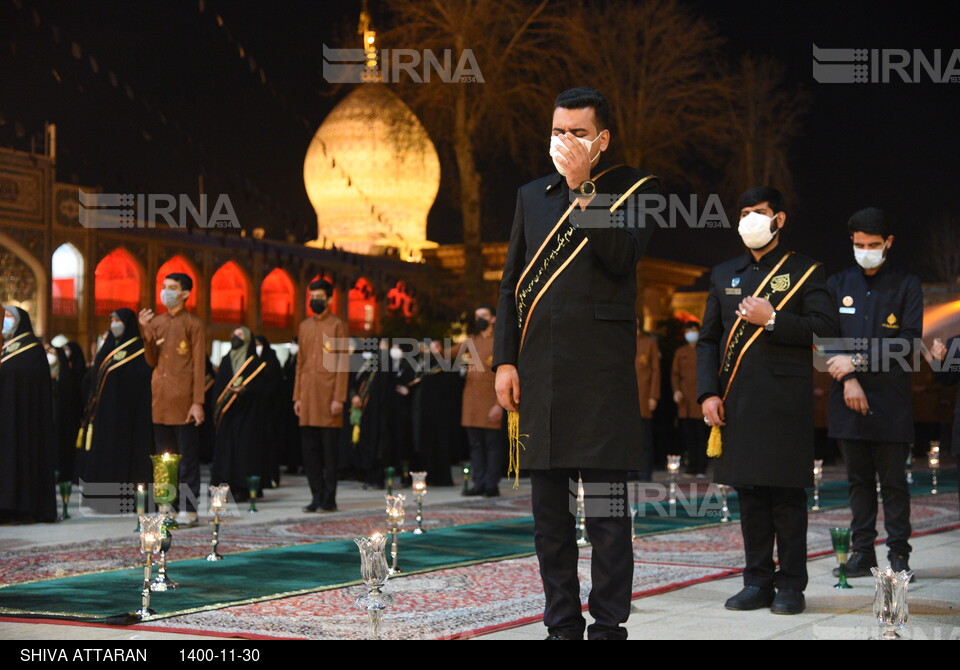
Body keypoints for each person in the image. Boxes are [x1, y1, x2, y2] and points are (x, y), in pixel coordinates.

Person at [493, 87, 658, 640]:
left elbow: (622, 256)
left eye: (578, 133)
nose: (565, 142)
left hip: (602, 382)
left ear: (602, 139)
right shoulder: (530, 196)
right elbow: (511, 283)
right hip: (540, 379)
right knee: (550, 519)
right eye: (559, 131)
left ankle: (608, 624)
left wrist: (582, 190)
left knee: (609, 517)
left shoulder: (634, 189)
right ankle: (561, 622)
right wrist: (504, 362)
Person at [696, 186, 837, 615]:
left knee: (787, 498)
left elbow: (824, 332)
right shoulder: (724, 274)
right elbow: (707, 341)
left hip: (785, 402)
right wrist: (707, 392)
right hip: (736, 402)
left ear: (779, 219)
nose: (749, 220)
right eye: (743, 213)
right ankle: (757, 582)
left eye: (759, 212)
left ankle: (792, 584)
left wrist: (773, 319)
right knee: (751, 497)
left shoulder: (806, 272)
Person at [825, 207, 923, 579]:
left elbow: (908, 342)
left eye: (874, 244)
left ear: (888, 243)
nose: (865, 250)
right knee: (858, 483)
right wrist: (848, 379)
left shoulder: (907, 284)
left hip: (891, 401)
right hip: (846, 398)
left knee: (894, 484)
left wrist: (858, 364)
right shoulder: (836, 283)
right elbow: (825, 341)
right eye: (859, 244)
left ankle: (899, 556)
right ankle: (862, 554)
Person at [139, 273, 206, 527]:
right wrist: (146, 331)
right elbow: (151, 360)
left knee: (187, 459)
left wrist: (197, 402)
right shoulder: (156, 322)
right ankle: (166, 505)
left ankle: (189, 509)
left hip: (185, 401)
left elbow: (199, 366)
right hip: (161, 399)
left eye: (172, 288)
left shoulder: (193, 324)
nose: (166, 292)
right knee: (164, 458)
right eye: (164, 287)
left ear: (185, 294)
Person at [78, 309, 154, 489]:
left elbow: (142, 378)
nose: (114, 324)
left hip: (129, 414)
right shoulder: (107, 348)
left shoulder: (139, 349)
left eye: (117, 320)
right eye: (112, 320)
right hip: (105, 414)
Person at [294, 279, 349, 513]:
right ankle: (315, 496)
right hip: (307, 397)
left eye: (319, 296)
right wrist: (297, 396)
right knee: (310, 453)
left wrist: (339, 398)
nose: (315, 300)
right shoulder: (304, 326)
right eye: (312, 296)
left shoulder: (338, 325)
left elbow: (343, 364)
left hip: (329, 398)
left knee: (329, 453)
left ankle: (329, 498)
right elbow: (300, 363)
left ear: (329, 299)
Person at [0, 306, 56, 523]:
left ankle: (21, 508)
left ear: (19, 321)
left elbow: (29, 381)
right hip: (7, 416)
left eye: (8, 316)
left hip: (24, 420)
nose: (4, 320)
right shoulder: (8, 349)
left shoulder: (32, 349)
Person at [211, 326, 276, 500]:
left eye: (240, 334)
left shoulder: (255, 362)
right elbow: (219, 387)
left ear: (247, 338)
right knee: (227, 451)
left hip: (249, 415)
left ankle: (245, 488)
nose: (236, 337)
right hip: (229, 415)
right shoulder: (226, 360)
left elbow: (264, 387)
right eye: (234, 334)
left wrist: (246, 389)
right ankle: (227, 487)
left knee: (246, 452)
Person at [459, 306, 505, 497]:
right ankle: (478, 483)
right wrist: (433, 350)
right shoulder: (472, 340)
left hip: (491, 402)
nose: (480, 320)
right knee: (476, 446)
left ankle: (491, 484)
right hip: (471, 404)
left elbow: (503, 376)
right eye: (477, 316)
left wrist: (498, 405)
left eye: (483, 316)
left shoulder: (500, 341)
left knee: (492, 446)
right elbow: (450, 353)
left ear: (493, 318)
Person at [672, 321, 708, 478]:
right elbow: (675, 374)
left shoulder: (704, 349)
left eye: (693, 330)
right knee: (689, 436)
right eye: (688, 331)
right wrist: (676, 391)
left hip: (700, 399)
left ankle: (701, 468)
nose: (690, 334)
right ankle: (691, 467)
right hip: (685, 401)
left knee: (701, 436)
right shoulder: (681, 352)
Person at [634, 326, 660, 481]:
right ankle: (632, 471)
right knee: (628, 438)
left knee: (645, 438)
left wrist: (653, 396)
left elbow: (656, 371)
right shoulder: (622, 339)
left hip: (644, 397)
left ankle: (646, 471)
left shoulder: (649, 343)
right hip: (626, 400)